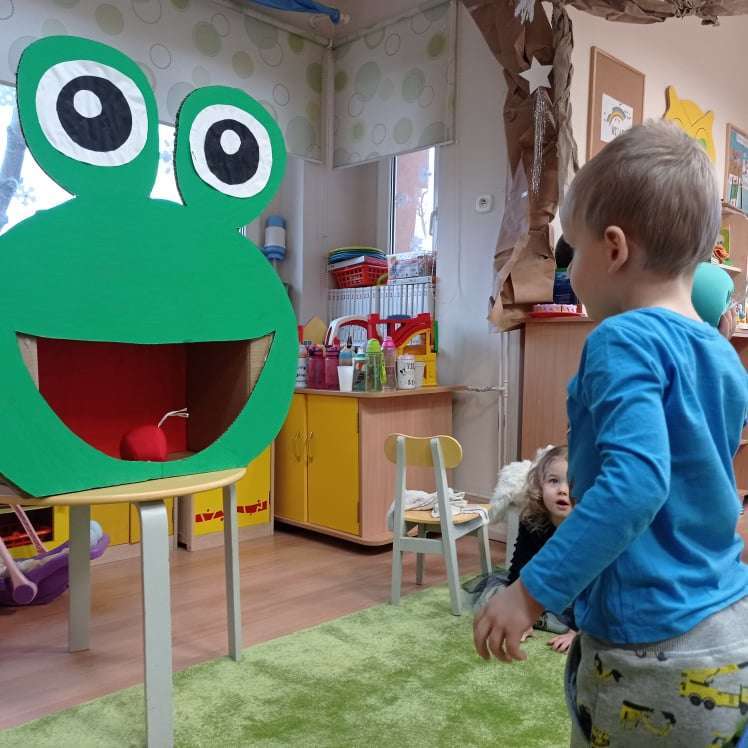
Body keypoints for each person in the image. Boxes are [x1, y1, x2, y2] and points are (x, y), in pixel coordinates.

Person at [474, 121, 748, 746]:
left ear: (615, 249)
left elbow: (635, 486)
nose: (570, 270)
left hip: (649, 648)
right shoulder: (722, 354)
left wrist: (529, 593)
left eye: (572, 251)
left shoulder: (622, 338)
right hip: (728, 624)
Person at [506, 445, 577, 654]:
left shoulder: (588, 527)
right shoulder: (531, 521)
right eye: (554, 481)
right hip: (548, 586)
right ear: (540, 485)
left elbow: (595, 584)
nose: (562, 490)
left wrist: (578, 631)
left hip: (581, 592)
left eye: (571, 483)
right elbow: (519, 567)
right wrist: (522, 616)